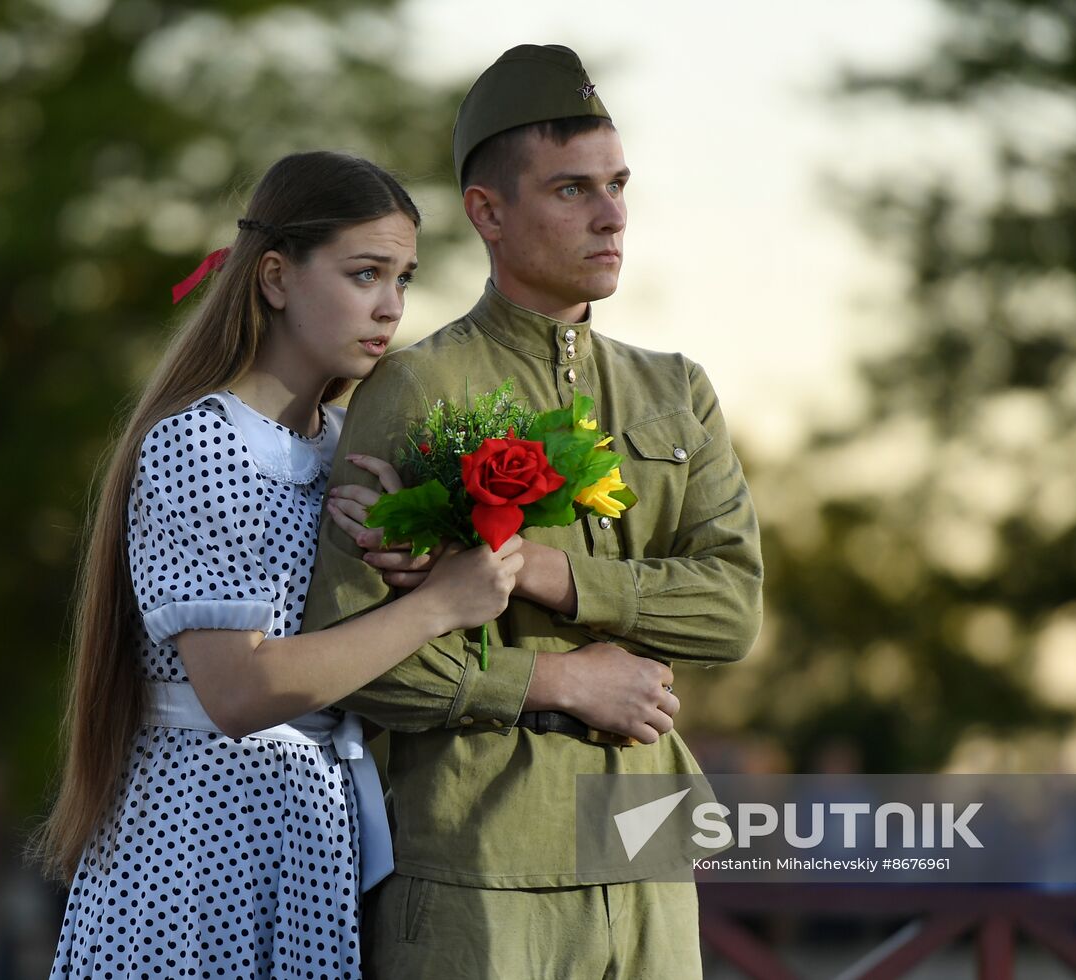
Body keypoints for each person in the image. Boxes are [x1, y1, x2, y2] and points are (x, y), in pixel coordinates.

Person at [303, 45, 763, 979]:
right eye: (572, 190)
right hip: (479, 871)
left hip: (649, 862)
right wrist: (553, 681)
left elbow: (731, 610)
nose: (612, 214)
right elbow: (354, 663)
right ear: (489, 213)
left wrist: (550, 575)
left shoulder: (677, 391)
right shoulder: (415, 389)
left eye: (619, 184)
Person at [34, 151, 524, 980]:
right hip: (197, 858)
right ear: (274, 278)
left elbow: (345, 677)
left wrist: (401, 571)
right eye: (365, 273)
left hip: (309, 846)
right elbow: (239, 691)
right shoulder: (201, 440)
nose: (391, 306)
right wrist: (435, 605)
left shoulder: (343, 451)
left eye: (403, 279)